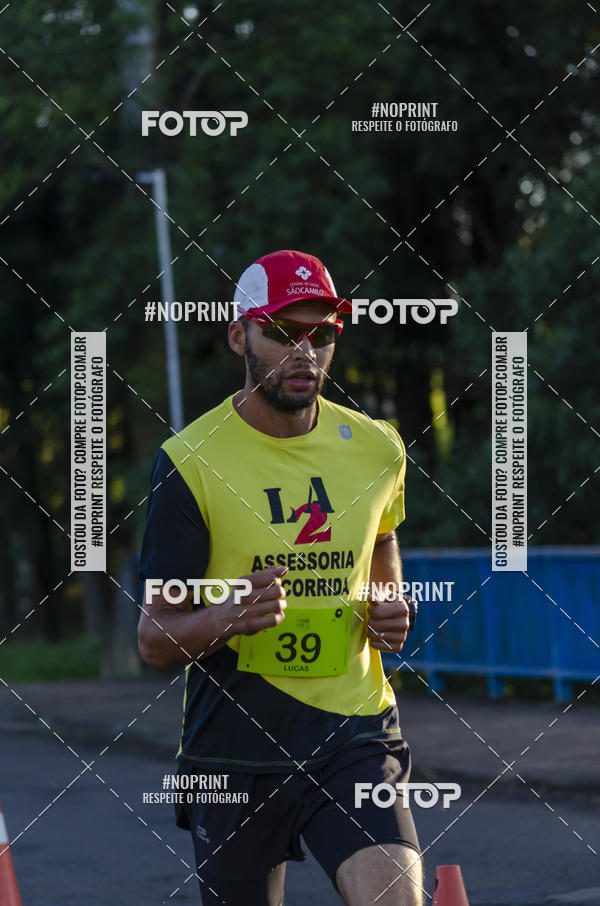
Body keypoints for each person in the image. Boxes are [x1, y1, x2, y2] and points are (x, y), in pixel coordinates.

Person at [138, 249, 423, 906]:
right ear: (240, 334)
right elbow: (154, 641)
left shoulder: (377, 448)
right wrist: (225, 618)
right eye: (283, 332)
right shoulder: (189, 464)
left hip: (353, 730)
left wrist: (388, 599)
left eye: (321, 334)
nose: (306, 351)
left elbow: (382, 536)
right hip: (235, 748)